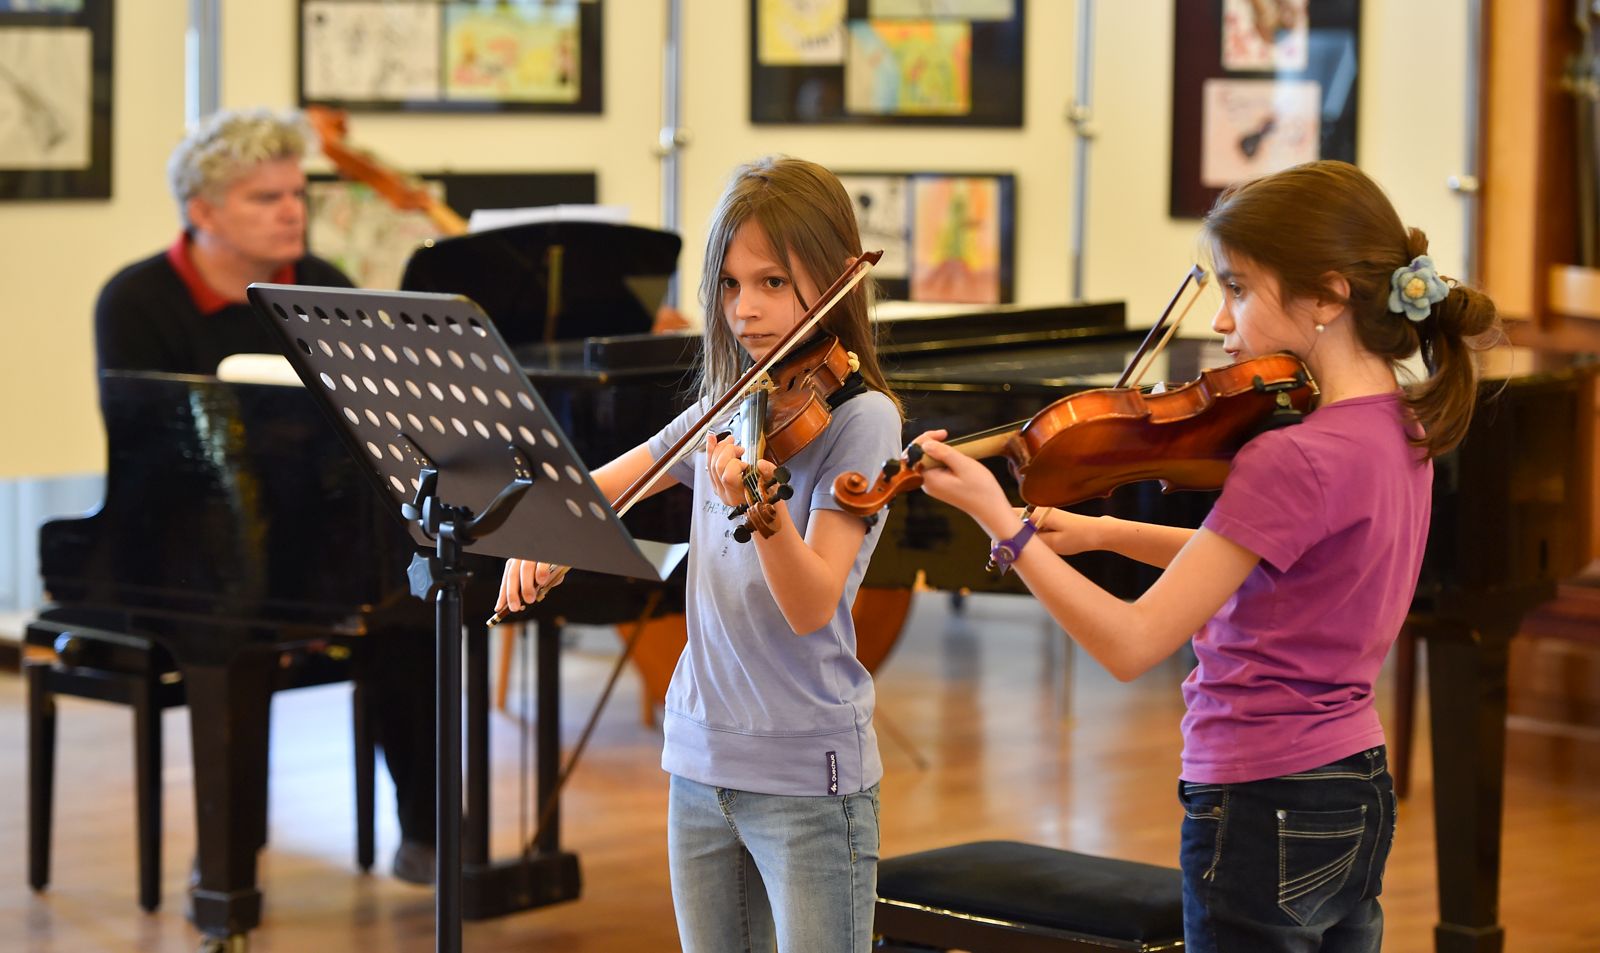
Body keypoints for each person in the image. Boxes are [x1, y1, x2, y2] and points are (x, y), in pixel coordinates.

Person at [909, 160, 1498, 953]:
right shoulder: (1403, 430)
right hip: (1353, 785)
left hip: (1258, 795)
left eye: (1240, 289)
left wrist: (1000, 522)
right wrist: (1104, 533)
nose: (1221, 320)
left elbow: (1130, 645)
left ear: (1327, 296)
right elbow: (1270, 564)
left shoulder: (1290, 457)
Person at [497, 156, 903, 953]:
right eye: (728, 283)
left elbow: (812, 602)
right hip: (698, 757)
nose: (745, 309)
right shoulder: (732, 399)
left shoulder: (862, 421)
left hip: (806, 777)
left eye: (774, 283)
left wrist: (761, 510)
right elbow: (618, 480)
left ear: (830, 277)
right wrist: (550, 532)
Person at [93, 107, 439, 886]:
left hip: (317, 531)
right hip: (186, 537)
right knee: (234, 612)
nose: (292, 211)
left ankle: (431, 837)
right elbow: (150, 452)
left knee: (417, 606)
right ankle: (228, 864)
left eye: (296, 194)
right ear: (203, 211)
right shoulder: (137, 301)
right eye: (265, 198)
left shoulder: (324, 284)